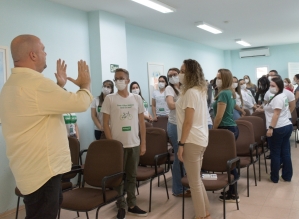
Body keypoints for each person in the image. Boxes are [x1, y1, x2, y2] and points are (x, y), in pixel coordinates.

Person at [0, 35, 92, 219]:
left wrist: (59, 86)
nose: (46, 53)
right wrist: (85, 84)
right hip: (43, 171)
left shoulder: (11, 85)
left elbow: (38, 108)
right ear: (33, 55)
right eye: (43, 49)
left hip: (30, 169)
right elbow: (80, 103)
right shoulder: (36, 84)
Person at [102, 68, 147, 219]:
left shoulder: (136, 99)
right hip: (118, 147)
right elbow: (105, 123)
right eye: (116, 78)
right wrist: (111, 145)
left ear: (128, 80)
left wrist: (143, 143)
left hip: (133, 143)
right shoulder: (110, 99)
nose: (118, 81)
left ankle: (132, 204)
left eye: (121, 78)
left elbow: (142, 123)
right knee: (118, 178)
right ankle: (121, 204)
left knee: (132, 176)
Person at [176, 59, 212, 219]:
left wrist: (181, 144)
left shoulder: (191, 93)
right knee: (197, 179)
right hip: (201, 138)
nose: (180, 74)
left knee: (194, 182)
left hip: (191, 140)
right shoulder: (199, 90)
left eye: (183, 71)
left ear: (190, 73)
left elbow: (188, 122)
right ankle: (205, 211)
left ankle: (200, 215)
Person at [212, 69, 239, 202]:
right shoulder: (230, 92)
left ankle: (233, 193)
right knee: (229, 161)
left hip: (225, 129)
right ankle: (232, 191)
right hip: (231, 128)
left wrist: (214, 130)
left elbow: (219, 116)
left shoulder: (223, 94)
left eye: (220, 78)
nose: (217, 80)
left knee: (229, 162)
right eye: (217, 77)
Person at [264, 77, 293, 183]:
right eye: (270, 85)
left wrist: (271, 128)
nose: (270, 88)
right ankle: (287, 176)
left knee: (275, 153)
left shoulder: (278, 98)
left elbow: (276, 114)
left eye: (273, 86)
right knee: (285, 152)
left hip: (278, 127)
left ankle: (274, 178)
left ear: (279, 86)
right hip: (286, 125)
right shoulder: (282, 95)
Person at [165, 67, 188, 197]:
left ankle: (183, 186)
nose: (172, 77)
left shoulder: (183, 88)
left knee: (183, 157)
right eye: (170, 75)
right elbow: (170, 105)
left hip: (183, 125)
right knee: (179, 157)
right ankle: (178, 189)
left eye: (174, 74)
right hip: (174, 126)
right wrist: (184, 103)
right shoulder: (169, 89)